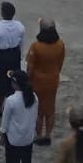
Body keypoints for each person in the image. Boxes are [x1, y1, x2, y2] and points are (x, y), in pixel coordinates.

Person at [24, 18, 66, 146]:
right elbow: (60, 63)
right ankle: (48, 135)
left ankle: (39, 135)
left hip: (37, 82)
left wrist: (27, 80)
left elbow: (30, 67)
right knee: (50, 109)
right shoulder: (60, 44)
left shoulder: (36, 46)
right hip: (52, 81)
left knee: (38, 110)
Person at [0, 70, 39, 163]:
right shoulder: (34, 97)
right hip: (28, 137)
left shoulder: (11, 100)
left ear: (14, 84)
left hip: (14, 140)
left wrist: (2, 136)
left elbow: (4, 122)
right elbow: (35, 116)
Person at [0, 2, 25, 115]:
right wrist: (19, 55)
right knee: (13, 81)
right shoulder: (19, 26)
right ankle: (11, 107)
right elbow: (22, 44)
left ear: (2, 13)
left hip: (0, 57)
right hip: (14, 55)